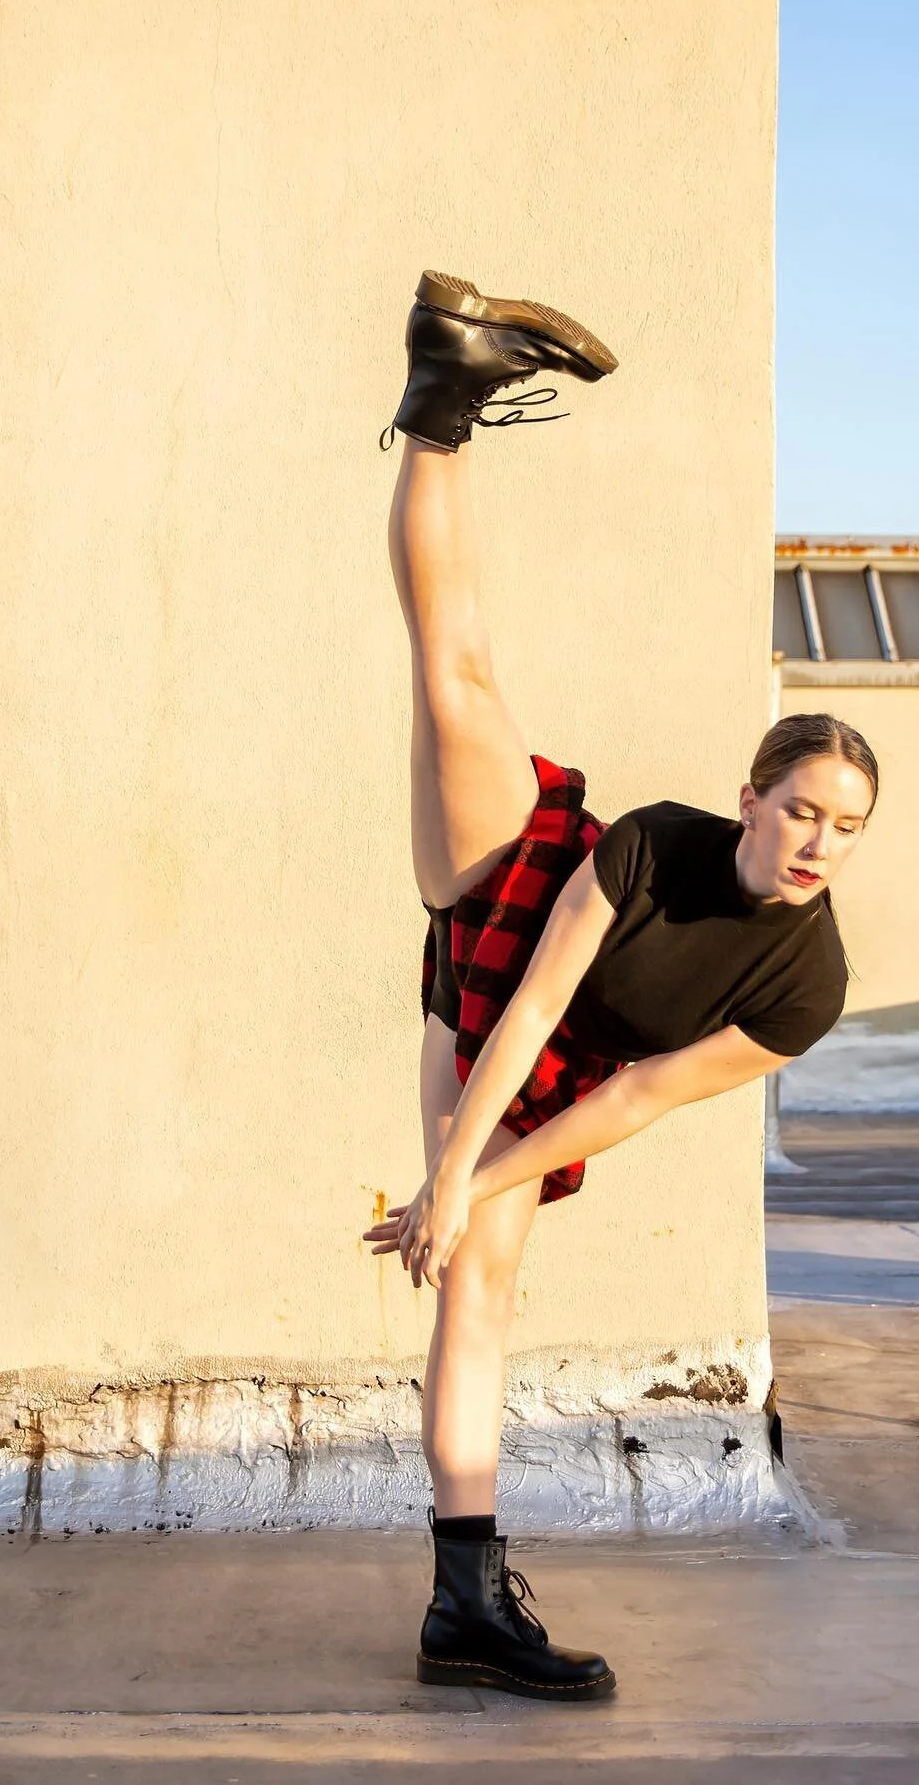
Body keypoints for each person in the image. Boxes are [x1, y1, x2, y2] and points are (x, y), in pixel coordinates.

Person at [361, 271, 878, 1704]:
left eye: (846, 827)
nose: (817, 843)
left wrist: (464, 1189)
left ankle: (463, 1604)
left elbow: (638, 1094)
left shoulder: (805, 984)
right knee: (458, 677)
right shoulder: (651, 841)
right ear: (751, 798)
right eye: (801, 810)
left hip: (561, 1080)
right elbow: (530, 1001)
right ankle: (444, 397)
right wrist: (446, 1173)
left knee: (479, 1279)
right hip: (511, 918)